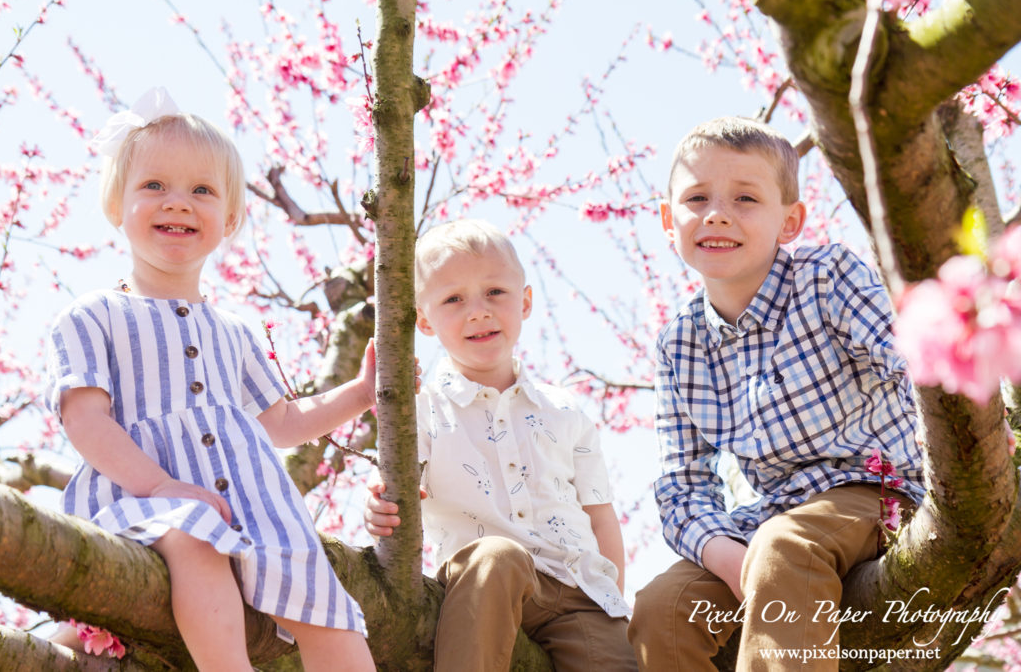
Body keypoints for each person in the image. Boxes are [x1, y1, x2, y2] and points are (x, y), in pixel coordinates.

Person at [44, 88, 376, 671]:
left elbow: (282, 422)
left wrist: (361, 394)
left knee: (328, 608)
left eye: (201, 190)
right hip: (142, 501)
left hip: (256, 506)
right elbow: (85, 419)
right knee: (194, 536)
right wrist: (159, 486)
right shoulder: (93, 315)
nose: (178, 202)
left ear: (229, 218)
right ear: (116, 204)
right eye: (154, 186)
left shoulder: (235, 332)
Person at [628, 116, 926, 670]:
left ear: (789, 222)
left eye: (745, 198)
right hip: (771, 517)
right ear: (669, 221)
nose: (717, 213)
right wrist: (729, 558)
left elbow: (912, 364)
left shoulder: (827, 278)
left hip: (873, 490)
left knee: (784, 547)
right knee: (662, 607)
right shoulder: (680, 346)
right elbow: (681, 486)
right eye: (697, 198)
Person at [364, 219, 637, 671]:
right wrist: (376, 505)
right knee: (498, 553)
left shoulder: (565, 410)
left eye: (495, 292)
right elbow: (392, 491)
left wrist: (611, 599)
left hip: (575, 591)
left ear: (525, 301)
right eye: (453, 299)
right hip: (482, 586)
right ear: (424, 321)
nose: (478, 311)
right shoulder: (420, 413)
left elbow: (599, 514)